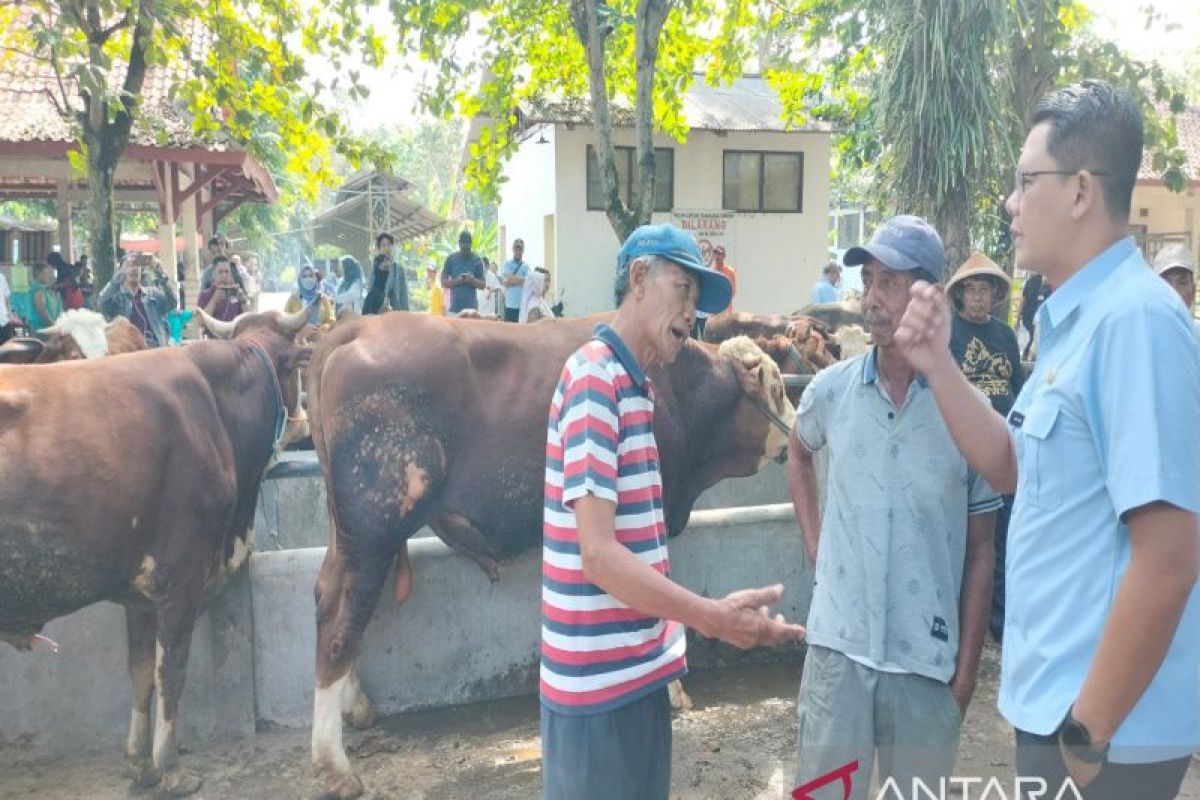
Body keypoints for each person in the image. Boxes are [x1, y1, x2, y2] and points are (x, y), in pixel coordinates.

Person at [895, 80, 1200, 800]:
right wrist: (938, 362)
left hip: (1107, 731)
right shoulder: (1077, 324)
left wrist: (1086, 736)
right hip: (1061, 705)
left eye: (1026, 179)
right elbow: (1015, 467)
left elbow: (1170, 555)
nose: (1010, 202)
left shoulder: (1136, 324)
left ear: (1081, 192)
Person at [540, 223, 805, 800]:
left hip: (635, 677)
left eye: (698, 301)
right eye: (682, 290)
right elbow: (599, 555)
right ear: (638, 278)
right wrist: (709, 616)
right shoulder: (593, 378)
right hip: (597, 694)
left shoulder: (637, 387)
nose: (692, 314)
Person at [788, 216, 1000, 800]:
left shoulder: (969, 415)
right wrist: (816, 548)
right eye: (868, 280)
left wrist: (965, 676)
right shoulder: (831, 391)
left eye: (890, 283)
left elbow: (983, 550)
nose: (871, 299)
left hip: (926, 666)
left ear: (928, 297)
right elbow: (798, 453)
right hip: (838, 655)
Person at [946, 252, 1025, 645]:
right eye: (971, 290)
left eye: (985, 291)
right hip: (964, 449)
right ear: (960, 296)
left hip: (1006, 448)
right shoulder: (949, 334)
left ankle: (1001, 622)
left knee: (1004, 536)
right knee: (968, 537)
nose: (978, 298)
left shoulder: (1005, 336)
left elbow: (1021, 390)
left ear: (995, 297)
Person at [99, 257, 172, 346]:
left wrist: (160, 272)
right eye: (129, 266)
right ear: (121, 271)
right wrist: (118, 277)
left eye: (137, 266)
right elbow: (102, 304)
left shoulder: (153, 294)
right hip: (129, 351)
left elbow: (172, 302)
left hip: (154, 349)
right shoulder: (117, 298)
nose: (134, 269)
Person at [1153, 245, 1198, 336]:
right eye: (1166, 282)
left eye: (1182, 282)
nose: (1174, 291)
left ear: (1193, 291)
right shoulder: (1144, 336)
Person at [363, 233, 410, 314]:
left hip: (395, 312)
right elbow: (369, 289)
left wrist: (406, 314)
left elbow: (404, 294)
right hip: (375, 312)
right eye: (383, 245)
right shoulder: (374, 269)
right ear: (379, 249)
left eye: (389, 244)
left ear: (392, 247)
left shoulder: (398, 270)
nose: (387, 248)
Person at [441, 230, 485, 314]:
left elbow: (483, 285)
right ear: (459, 244)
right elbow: (443, 282)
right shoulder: (451, 259)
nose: (465, 251)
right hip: (455, 309)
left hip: (472, 309)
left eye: (467, 249)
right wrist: (457, 281)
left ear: (471, 245)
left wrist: (472, 280)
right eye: (463, 248)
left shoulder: (477, 260)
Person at [196, 256, 250, 323]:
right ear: (214, 274)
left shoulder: (236, 292)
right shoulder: (205, 295)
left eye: (227, 272)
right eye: (220, 272)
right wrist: (214, 301)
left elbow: (249, 321)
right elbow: (201, 322)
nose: (224, 275)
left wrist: (243, 301)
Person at [284, 263, 335, 332]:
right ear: (300, 279)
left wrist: (322, 328)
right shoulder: (293, 298)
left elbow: (331, 321)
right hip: (297, 339)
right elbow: (285, 320)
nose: (308, 279)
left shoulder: (322, 298)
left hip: (319, 338)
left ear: (315, 278)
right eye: (304, 276)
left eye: (310, 276)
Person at [1017, 271, 1051, 359]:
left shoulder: (1030, 282)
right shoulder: (1047, 283)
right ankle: (1029, 354)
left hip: (1027, 316)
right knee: (1035, 336)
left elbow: (1023, 301)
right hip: (1037, 315)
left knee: (1034, 336)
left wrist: (1018, 317)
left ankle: (1028, 354)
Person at [501, 238, 530, 321]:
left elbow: (527, 282)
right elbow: (506, 279)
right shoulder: (507, 264)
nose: (518, 251)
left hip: (522, 306)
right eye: (516, 249)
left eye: (520, 249)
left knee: (521, 332)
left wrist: (511, 280)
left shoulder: (526, 267)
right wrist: (521, 280)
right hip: (509, 306)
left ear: (523, 251)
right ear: (512, 249)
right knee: (508, 332)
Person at [29, 262, 63, 331]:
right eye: (46, 273)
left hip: (46, 328)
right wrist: (53, 325)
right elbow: (42, 311)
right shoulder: (38, 290)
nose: (48, 276)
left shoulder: (44, 289)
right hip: (41, 329)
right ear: (38, 274)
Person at [712, 245, 737, 313]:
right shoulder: (711, 272)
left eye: (719, 254)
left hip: (726, 311)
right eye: (716, 254)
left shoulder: (730, 272)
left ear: (724, 256)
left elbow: (733, 292)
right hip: (714, 311)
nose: (717, 256)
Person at [0, 267, 14, 343]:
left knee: (7, 351)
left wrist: (9, 313)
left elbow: (7, 298)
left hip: (4, 321)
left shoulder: (1, 277)